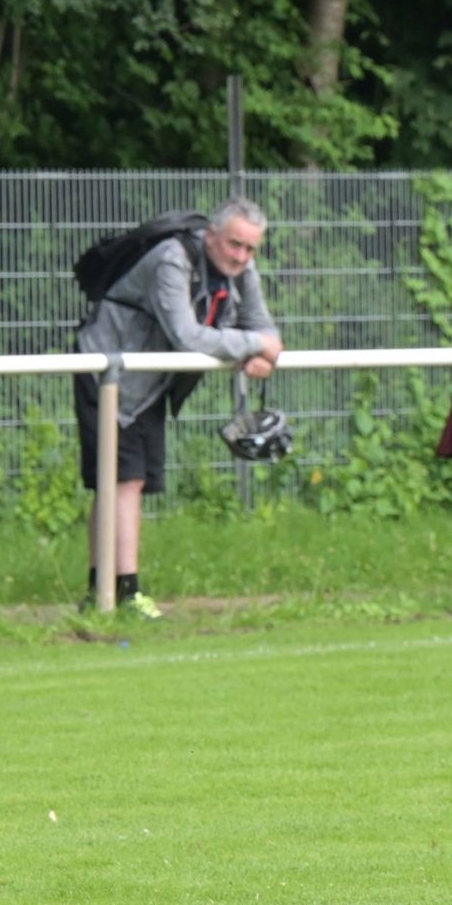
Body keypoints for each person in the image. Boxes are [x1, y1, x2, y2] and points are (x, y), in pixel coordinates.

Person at [74, 198, 284, 617]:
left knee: (125, 481)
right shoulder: (171, 259)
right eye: (234, 245)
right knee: (123, 480)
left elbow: (264, 326)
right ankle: (124, 593)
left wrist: (263, 348)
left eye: (250, 249)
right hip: (107, 371)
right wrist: (254, 347)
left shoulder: (242, 270)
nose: (241, 256)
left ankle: (103, 591)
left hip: (150, 383)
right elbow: (187, 335)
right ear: (211, 236)